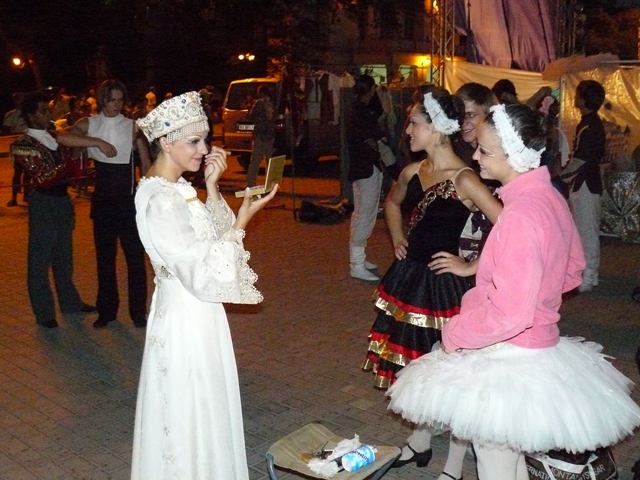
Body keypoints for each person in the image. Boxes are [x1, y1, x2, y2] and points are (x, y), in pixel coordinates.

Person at [387, 103, 640, 479]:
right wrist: (540, 293)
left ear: (514, 155)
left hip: (510, 351)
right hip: (536, 343)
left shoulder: (520, 215)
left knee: (496, 463)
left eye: (485, 151)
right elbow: (573, 268)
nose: (476, 156)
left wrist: (456, 333)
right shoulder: (547, 197)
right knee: (509, 459)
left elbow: (512, 312)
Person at [132, 91, 277, 479]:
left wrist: (212, 187)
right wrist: (243, 220)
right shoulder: (160, 200)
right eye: (194, 141)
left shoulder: (175, 189)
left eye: (205, 140)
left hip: (197, 312)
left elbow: (210, 242)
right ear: (166, 142)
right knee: (190, 408)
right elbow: (201, 273)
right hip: (186, 316)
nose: (205, 149)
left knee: (205, 406)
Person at [362, 90, 502, 480]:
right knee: (421, 367)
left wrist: (471, 266)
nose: (408, 131)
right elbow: (392, 203)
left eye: (414, 123)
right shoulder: (413, 172)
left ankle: (454, 468)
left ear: (437, 128)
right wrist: (397, 237)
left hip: (445, 290)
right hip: (412, 282)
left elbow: (509, 225)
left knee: (453, 376)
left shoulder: (465, 178)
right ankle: (421, 441)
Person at [9, 92, 113, 327]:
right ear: (30, 115)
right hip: (44, 201)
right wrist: (73, 158)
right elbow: (45, 177)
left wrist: (80, 158)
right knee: (40, 260)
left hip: (61, 200)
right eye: (43, 111)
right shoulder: (22, 144)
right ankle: (44, 312)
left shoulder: (54, 136)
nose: (48, 114)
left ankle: (70, 303)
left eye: (48, 110)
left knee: (63, 257)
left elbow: (72, 171)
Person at [68, 79, 151, 328]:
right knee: (105, 260)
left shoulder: (132, 126)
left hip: (128, 203)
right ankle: (107, 311)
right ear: (102, 100)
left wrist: (150, 197)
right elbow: (63, 137)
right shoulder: (91, 123)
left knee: (135, 260)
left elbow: (147, 167)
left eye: (120, 100)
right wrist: (97, 142)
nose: (117, 105)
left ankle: (138, 313)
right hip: (103, 203)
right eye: (112, 100)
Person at [564, 80, 606, 292]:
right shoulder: (590, 123)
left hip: (586, 183)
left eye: (578, 94)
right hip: (585, 183)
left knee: (587, 232)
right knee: (584, 230)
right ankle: (588, 274)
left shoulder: (591, 126)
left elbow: (582, 159)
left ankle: (589, 275)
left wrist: (562, 176)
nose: (575, 97)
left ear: (583, 99)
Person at [347, 74, 387, 282]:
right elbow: (376, 134)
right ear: (371, 90)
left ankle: (358, 258)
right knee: (365, 214)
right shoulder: (361, 113)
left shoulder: (356, 110)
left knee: (361, 213)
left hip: (361, 167)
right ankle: (357, 263)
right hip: (367, 167)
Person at [246, 84, 276, 187]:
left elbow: (251, 116)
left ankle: (251, 183)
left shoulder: (259, 103)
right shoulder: (272, 103)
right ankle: (271, 184)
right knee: (269, 161)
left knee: (255, 161)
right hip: (270, 135)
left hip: (260, 135)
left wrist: (248, 108)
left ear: (261, 92)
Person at [3, 92, 30, 207]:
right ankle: (14, 197)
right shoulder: (11, 115)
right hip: (18, 144)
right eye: (18, 99)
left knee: (29, 171)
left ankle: (26, 195)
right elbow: (7, 131)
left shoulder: (29, 113)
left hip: (29, 143)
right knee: (18, 172)